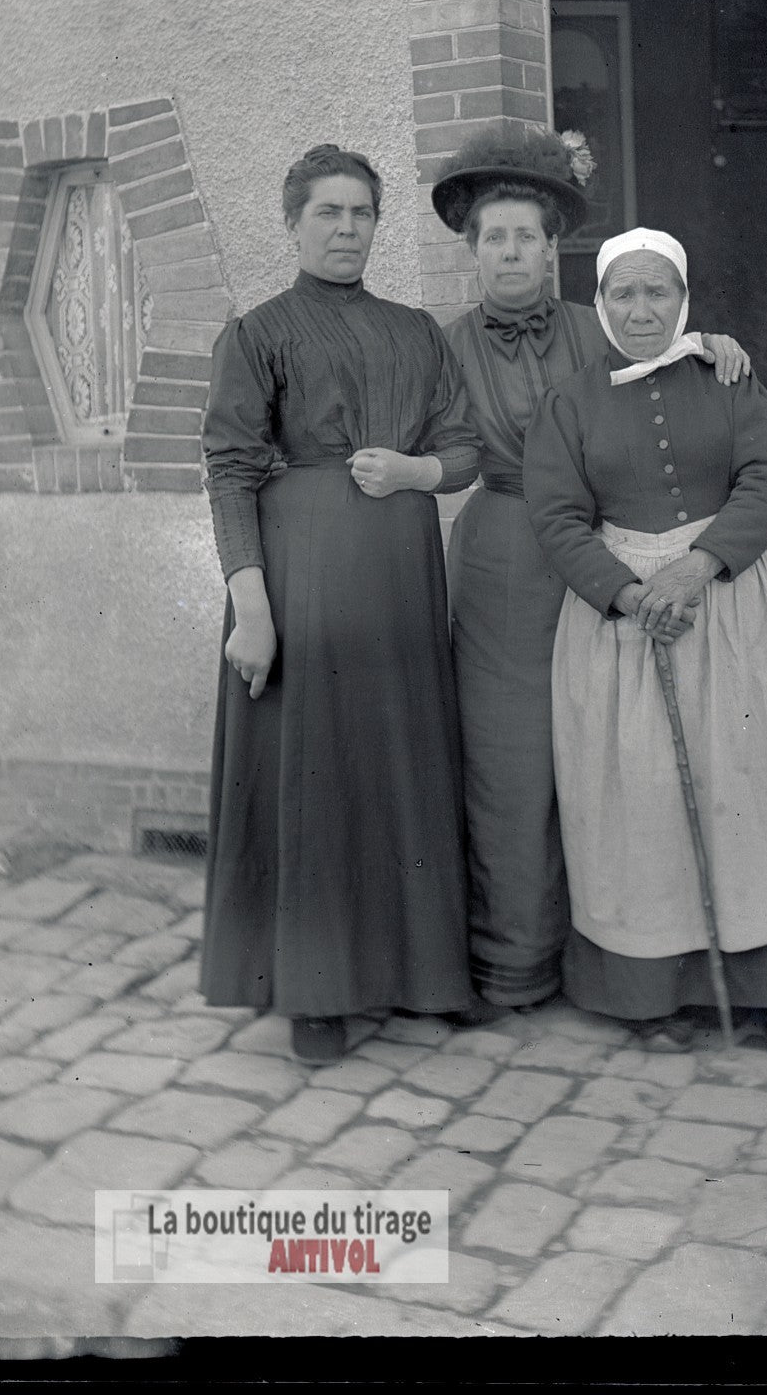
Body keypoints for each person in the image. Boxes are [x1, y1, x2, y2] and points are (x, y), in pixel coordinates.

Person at [523, 227, 767, 1051]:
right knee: (641, 799)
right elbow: (555, 515)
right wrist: (626, 588)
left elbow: (764, 477)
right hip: (621, 618)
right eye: (623, 294)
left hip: (737, 601)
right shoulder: (568, 403)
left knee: (758, 788)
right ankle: (659, 995)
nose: (640, 309)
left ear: (681, 299)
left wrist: (698, 565)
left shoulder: (729, 376)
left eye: (657, 292)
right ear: (600, 303)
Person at [430, 128, 751, 1023]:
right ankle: (513, 965)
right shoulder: (440, 344)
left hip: (603, 553)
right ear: (471, 248)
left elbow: (668, 379)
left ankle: (624, 962)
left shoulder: (599, 327)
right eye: (493, 237)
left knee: (617, 755)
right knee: (510, 763)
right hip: (500, 558)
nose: (510, 252)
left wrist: (709, 345)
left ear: (552, 246)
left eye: (525, 236)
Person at [199, 143, 481, 1064]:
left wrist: (416, 470)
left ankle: (419, 973)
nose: (346, 228)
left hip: (398, 579)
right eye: (328, 212)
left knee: (400, 763)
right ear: (291, 224)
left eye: (361, 212)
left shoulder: (415, 331)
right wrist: (253, 608)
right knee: (316, 775)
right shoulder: (258, 333)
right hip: (302, 578)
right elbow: (231, 472)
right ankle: (315, 992)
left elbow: (465, 448)